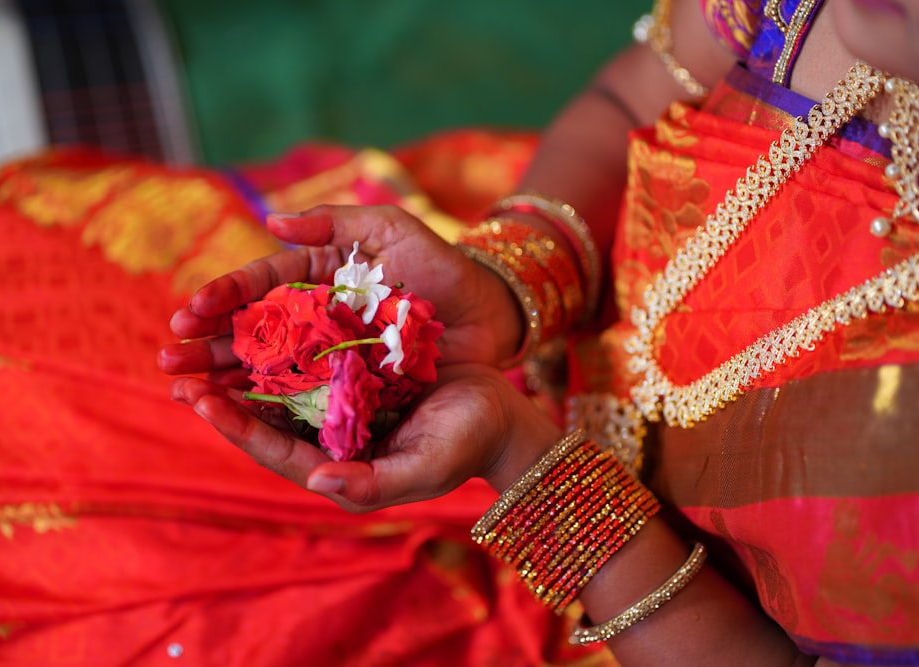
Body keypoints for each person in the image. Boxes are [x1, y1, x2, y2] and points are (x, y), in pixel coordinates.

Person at [160, 0, 919, 665]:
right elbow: (631, 99)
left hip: (627, 609)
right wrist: (505, 282)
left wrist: (524, 463)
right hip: (534, 342)